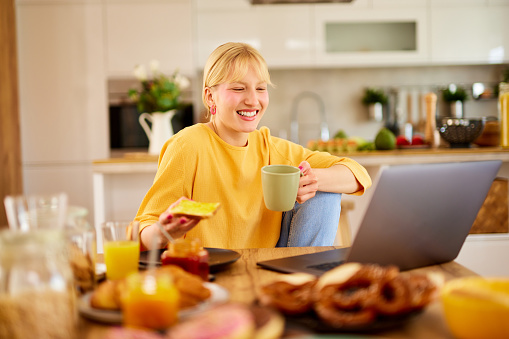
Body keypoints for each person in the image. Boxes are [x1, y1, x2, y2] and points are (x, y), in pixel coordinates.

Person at [135, 42, 372, 250]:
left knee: (324, 192)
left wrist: (313, 180)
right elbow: (143, 228)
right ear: (210, 97)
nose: (252, 100)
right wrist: (163, 232)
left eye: (260, 88)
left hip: (268, 264)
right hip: (205, 269)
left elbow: (357, 173)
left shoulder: (271, 147)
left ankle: (303, 283)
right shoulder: (188, 146)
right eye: (238, 88)